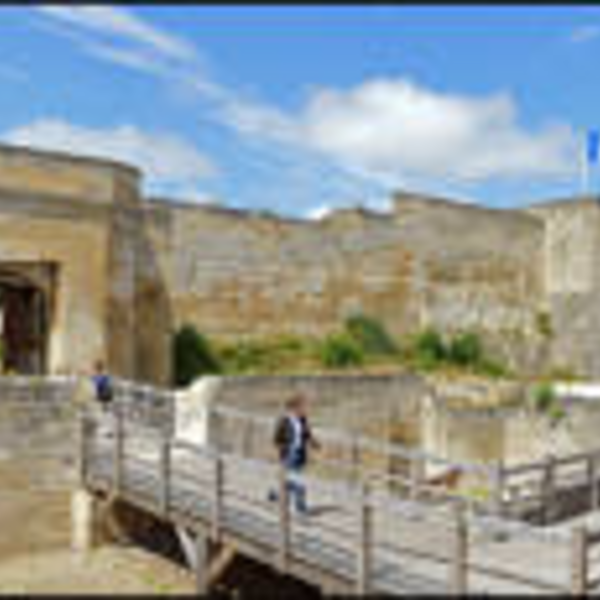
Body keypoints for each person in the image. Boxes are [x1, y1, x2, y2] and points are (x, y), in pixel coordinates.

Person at [270, 393, 320, 514]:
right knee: (299, 481)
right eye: (302, 406)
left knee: (290, 480)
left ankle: (275, 494)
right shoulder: (284, 420)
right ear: (294, 408)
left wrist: (314, 444)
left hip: (300, 453)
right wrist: (281, 452)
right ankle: (300, 507)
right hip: (289, 454)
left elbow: (306, 434)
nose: (305, 409)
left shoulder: (303, 419)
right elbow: (276, 439)